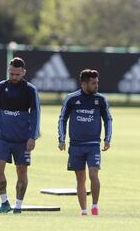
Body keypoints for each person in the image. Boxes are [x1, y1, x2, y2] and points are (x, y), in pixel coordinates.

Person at [0, 57, 40, 214]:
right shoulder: (1, 87)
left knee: (21, 172)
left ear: (23, 73)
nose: (14, 77)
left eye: (17, 74)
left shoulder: (30, 90)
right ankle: (4, 202)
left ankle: (18, 206)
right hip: (3, 138)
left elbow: (36, 114)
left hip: (22, 140)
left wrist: (32, 137)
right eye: (11, 74)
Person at [58, 69, 112, 216]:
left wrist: (108, 139)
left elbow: (108, 119)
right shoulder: (71, 99)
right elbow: (62, 118)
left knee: (94, 175)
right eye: (93, 83)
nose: (96, 85)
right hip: (76, 146)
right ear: (83, 84)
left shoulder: (100, 100)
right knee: (80, 179)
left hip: (93, 145)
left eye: (97, 82)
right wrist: (61, 138)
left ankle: (95, 206)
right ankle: (83, 211)